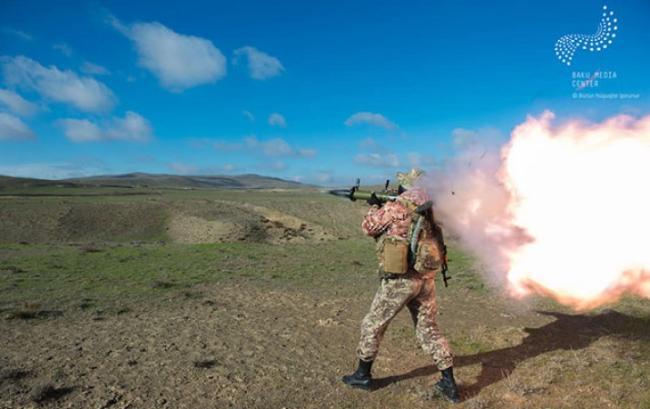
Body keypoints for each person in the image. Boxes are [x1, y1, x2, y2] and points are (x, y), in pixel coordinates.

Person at [341, 168, 460, 403]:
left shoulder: (397, 206)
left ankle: (362, 375)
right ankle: (449, 383)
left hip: (400, 280)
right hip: (426, 279)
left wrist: (374, 206)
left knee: (372, 324)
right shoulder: (434, 208)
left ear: (405, 185)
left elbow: (369, 227)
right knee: (429, 330)